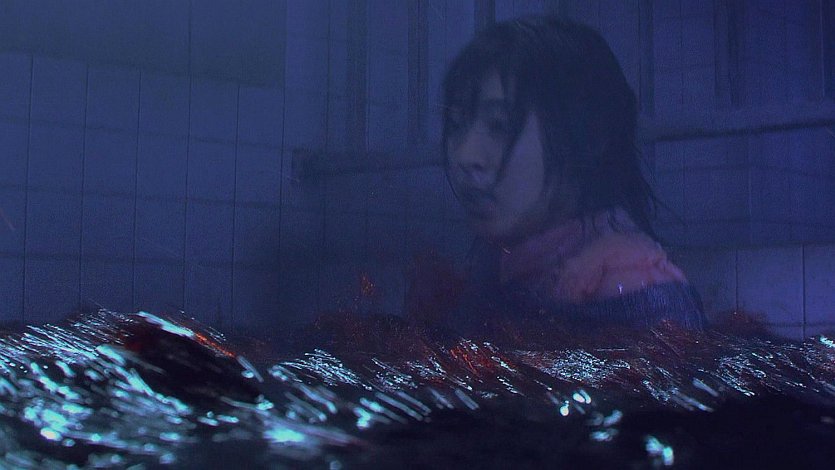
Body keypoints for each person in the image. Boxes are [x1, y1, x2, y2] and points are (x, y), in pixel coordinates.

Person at [407, 16, 706, 335]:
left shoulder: (638, 294)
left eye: (500, 126)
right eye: (456, 124)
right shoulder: (498, 269)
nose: (466, 156)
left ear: (587, 138)